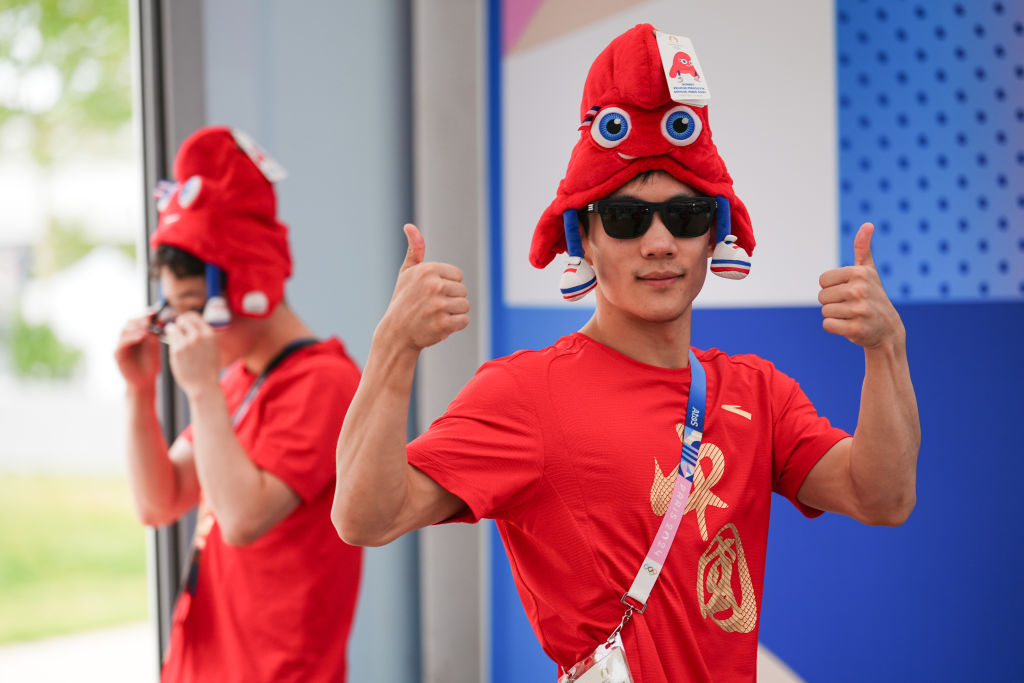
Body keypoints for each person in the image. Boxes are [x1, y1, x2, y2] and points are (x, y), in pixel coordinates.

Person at [332, 24, 919, 683]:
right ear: (582, 233)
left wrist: (886, 350)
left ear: (715, 233)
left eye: (687, 215)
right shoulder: (527, 393)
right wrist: (391, 351)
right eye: (627, 218)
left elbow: (883, 496)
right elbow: (364, 515)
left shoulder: (758, 393)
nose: (660, 242)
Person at [116, 126, 363, 682]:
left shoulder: (324, 383)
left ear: (247, 283)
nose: (186, 329)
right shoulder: (235, 379)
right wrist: (140, 393)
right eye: (173, 314)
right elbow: (160, 502)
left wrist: (201, 391)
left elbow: (243, 518)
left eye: (193, 309)